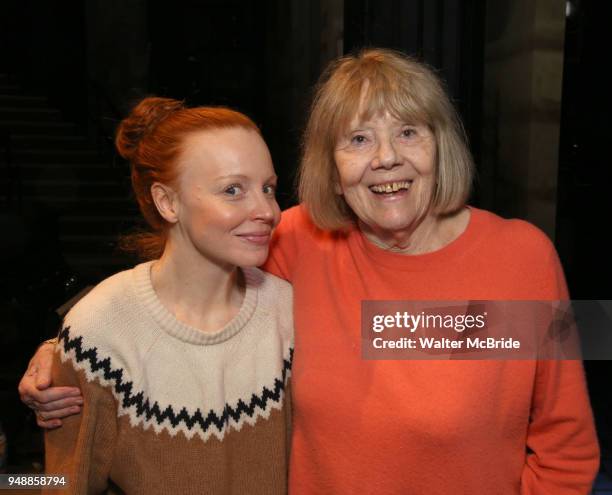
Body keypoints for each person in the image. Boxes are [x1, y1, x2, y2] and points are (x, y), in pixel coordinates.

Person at [20, 49, 599, 494]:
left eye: (408, 131)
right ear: (332, 164)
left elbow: (566, 445)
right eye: (358, 139)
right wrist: (71, 347)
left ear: (441, 146)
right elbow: (185, 283)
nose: (386, 158)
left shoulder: (520, 256)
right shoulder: (300, 241)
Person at [23, 97, 293, 494]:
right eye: (233, 189)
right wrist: (66, 347)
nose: (267, 210)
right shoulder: (100, 331)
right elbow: (62, 483)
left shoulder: (288, 309)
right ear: (167, 202)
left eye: (268, 188)